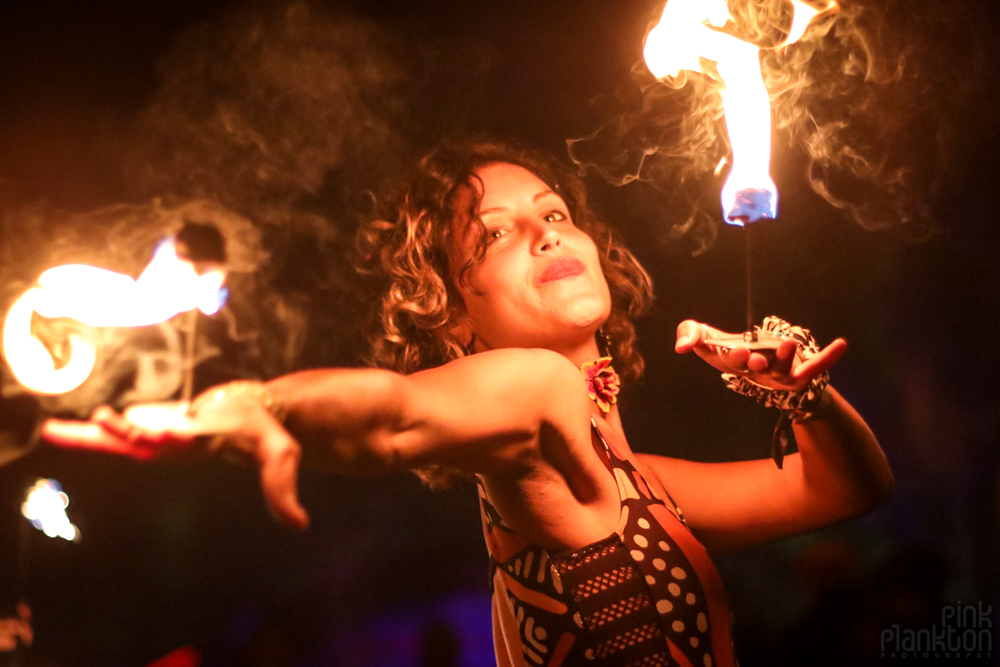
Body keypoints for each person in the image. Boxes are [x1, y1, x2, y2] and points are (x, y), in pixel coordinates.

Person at [43, 140, 894, 667]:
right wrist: (268, 405)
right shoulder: (542, 393)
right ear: (455, 314)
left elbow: (844, 488)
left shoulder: (639, 484)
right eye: (493, 234)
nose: (543, 232)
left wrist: (801, 396)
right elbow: (395, 413)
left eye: (553, 212)